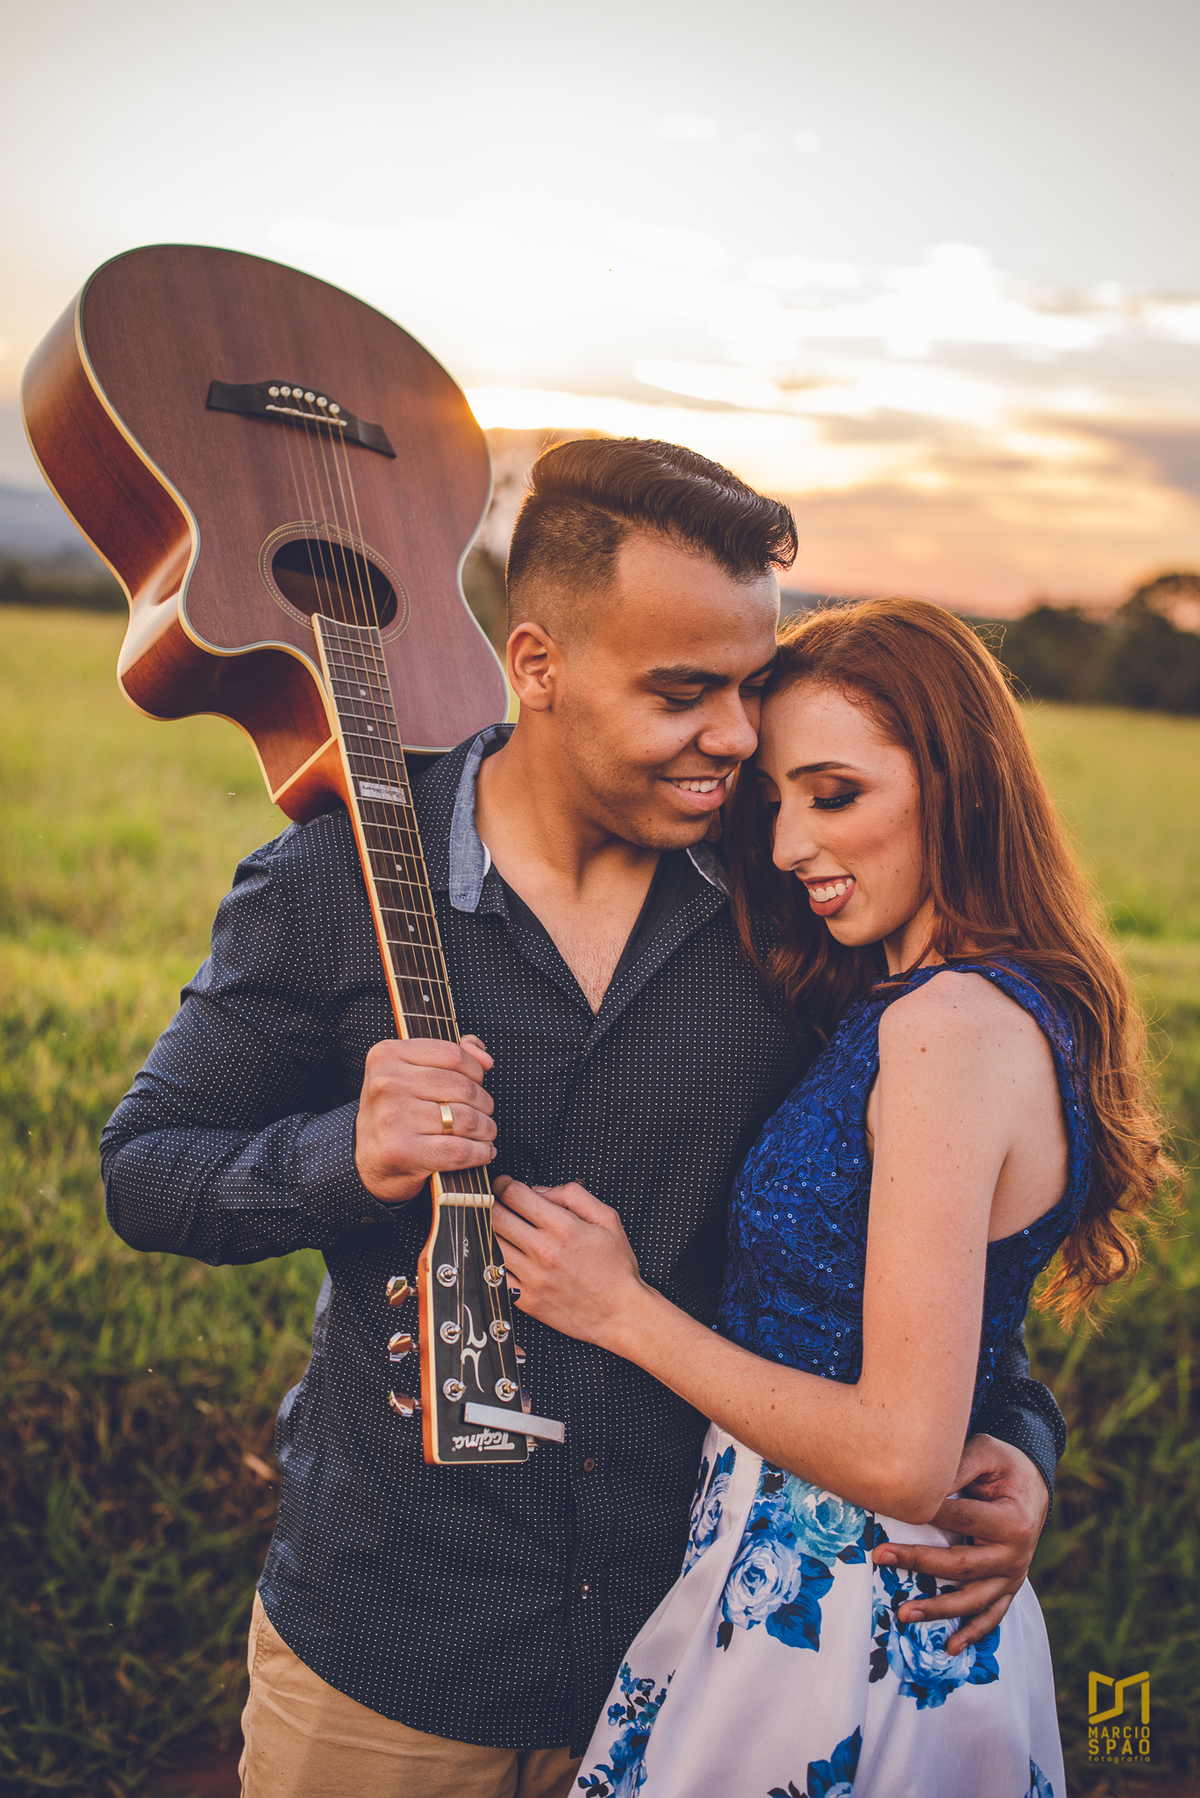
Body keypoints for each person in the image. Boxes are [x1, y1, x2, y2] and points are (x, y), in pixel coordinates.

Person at [102, 445, 1063, 1798]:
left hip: (696, 1676)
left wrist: (1017, 1440)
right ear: (538, 663)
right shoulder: (337, 883)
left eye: (749, 684)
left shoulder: (786, 905)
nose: (736, 735)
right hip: (390, 1661)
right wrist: (346, 1155)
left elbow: (909, 1234)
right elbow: (145, 1171)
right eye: (684, 691)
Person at [492, 596, 1175, 1798]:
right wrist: (1023, 1438)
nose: (789, 843)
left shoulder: (949, 1031)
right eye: (775, 804)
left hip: (841, 1612)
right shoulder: (964, 1001)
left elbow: (907, 1458)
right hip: (817, 1582)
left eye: (835, 793)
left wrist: (620, 1310)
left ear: (957, 783)